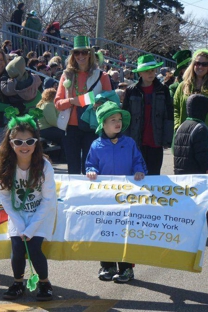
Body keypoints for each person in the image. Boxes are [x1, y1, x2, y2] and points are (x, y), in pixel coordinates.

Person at [0, 110, 56, 301]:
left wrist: (31, 229)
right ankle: (17, 283)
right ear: (11, 143)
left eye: (29, 141)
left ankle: (45, 284)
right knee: (17, 248)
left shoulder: (44, 166)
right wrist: (20, 225)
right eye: (18, 142)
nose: (24, 146)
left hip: (41, 213)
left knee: (34, 246)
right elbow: (4, 196)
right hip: (18, 214)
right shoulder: (4, 165)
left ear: (36, 143)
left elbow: (48, 200)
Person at [85, 101, 147, 283]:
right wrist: (91, 171)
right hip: (105, 198)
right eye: (112, 119)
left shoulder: (129, 143)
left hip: (126, 197)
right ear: (103, 124)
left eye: (119, 119)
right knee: (105, 231)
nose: (117, 122)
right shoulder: (96, 146)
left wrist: (139, 170)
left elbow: (138, 161)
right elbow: (90, 164)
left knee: (125, 232)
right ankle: (108, 265)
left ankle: (127, 269)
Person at [54, 35, 112, 174]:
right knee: (73, 169)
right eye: (77, 52)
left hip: (91, 127)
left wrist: (99, 104)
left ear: (90, 54)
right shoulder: (66, 75)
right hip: (71, 128)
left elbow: (110, 101)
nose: (81, 56)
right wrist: (72, 101)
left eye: (84, 52)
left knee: (90, 169)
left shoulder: (101, 76)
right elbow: (57, 103)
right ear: (73, 55)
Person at [122, 54, 173, 175]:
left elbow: (169, 115)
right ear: (140, 73)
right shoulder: (131, 90)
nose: (151, 73)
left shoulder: (163, 89)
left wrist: (167, 139)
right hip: (136, 141)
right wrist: (125, 139)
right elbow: (125, 116)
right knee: (136, 174)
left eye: (153, 70)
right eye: (146, 71)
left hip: (156, 140)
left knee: (154, 175)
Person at [174, 49, 208, 131]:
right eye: (197, 63)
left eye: (204, 64)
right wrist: (177, 126)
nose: (200, 67)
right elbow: (175, 108)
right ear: (192, 65)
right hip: (185, 134)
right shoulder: (183, 86)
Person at [174, 94, 208, 175]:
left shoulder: (181, 126)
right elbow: (202, 155)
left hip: (180, 176)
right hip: (196, 176)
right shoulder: (200, 128)